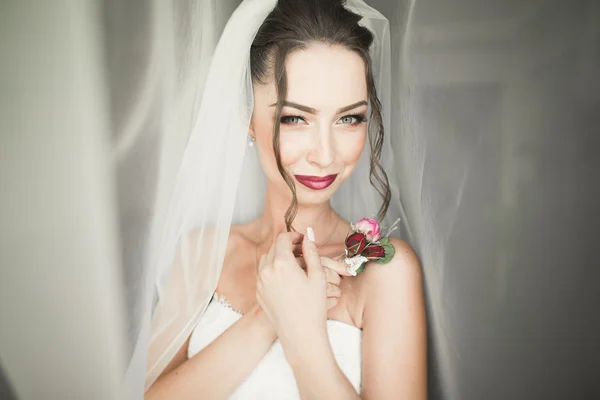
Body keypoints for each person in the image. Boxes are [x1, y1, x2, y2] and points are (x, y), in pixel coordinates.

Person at [144, 0, 426, 398]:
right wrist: (265, 317)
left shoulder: (384, 271)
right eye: (295, 118)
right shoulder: (205, 254)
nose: (325, 154)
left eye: (349, 118)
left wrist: (300, 332)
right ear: (248, 118)